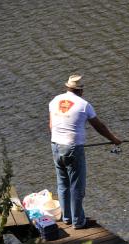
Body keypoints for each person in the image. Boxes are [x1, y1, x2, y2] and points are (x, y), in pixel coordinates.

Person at [49, 74, 121, 229]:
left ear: (67, 87)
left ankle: (66, 217)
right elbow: (99, 126)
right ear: (80, 90)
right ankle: (78, 221)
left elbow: (51, 125)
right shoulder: (84, 105)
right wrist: (114, 139)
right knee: (77, 186)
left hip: (55, 145)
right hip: (73, 148)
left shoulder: (54, 101)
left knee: (62, 184)